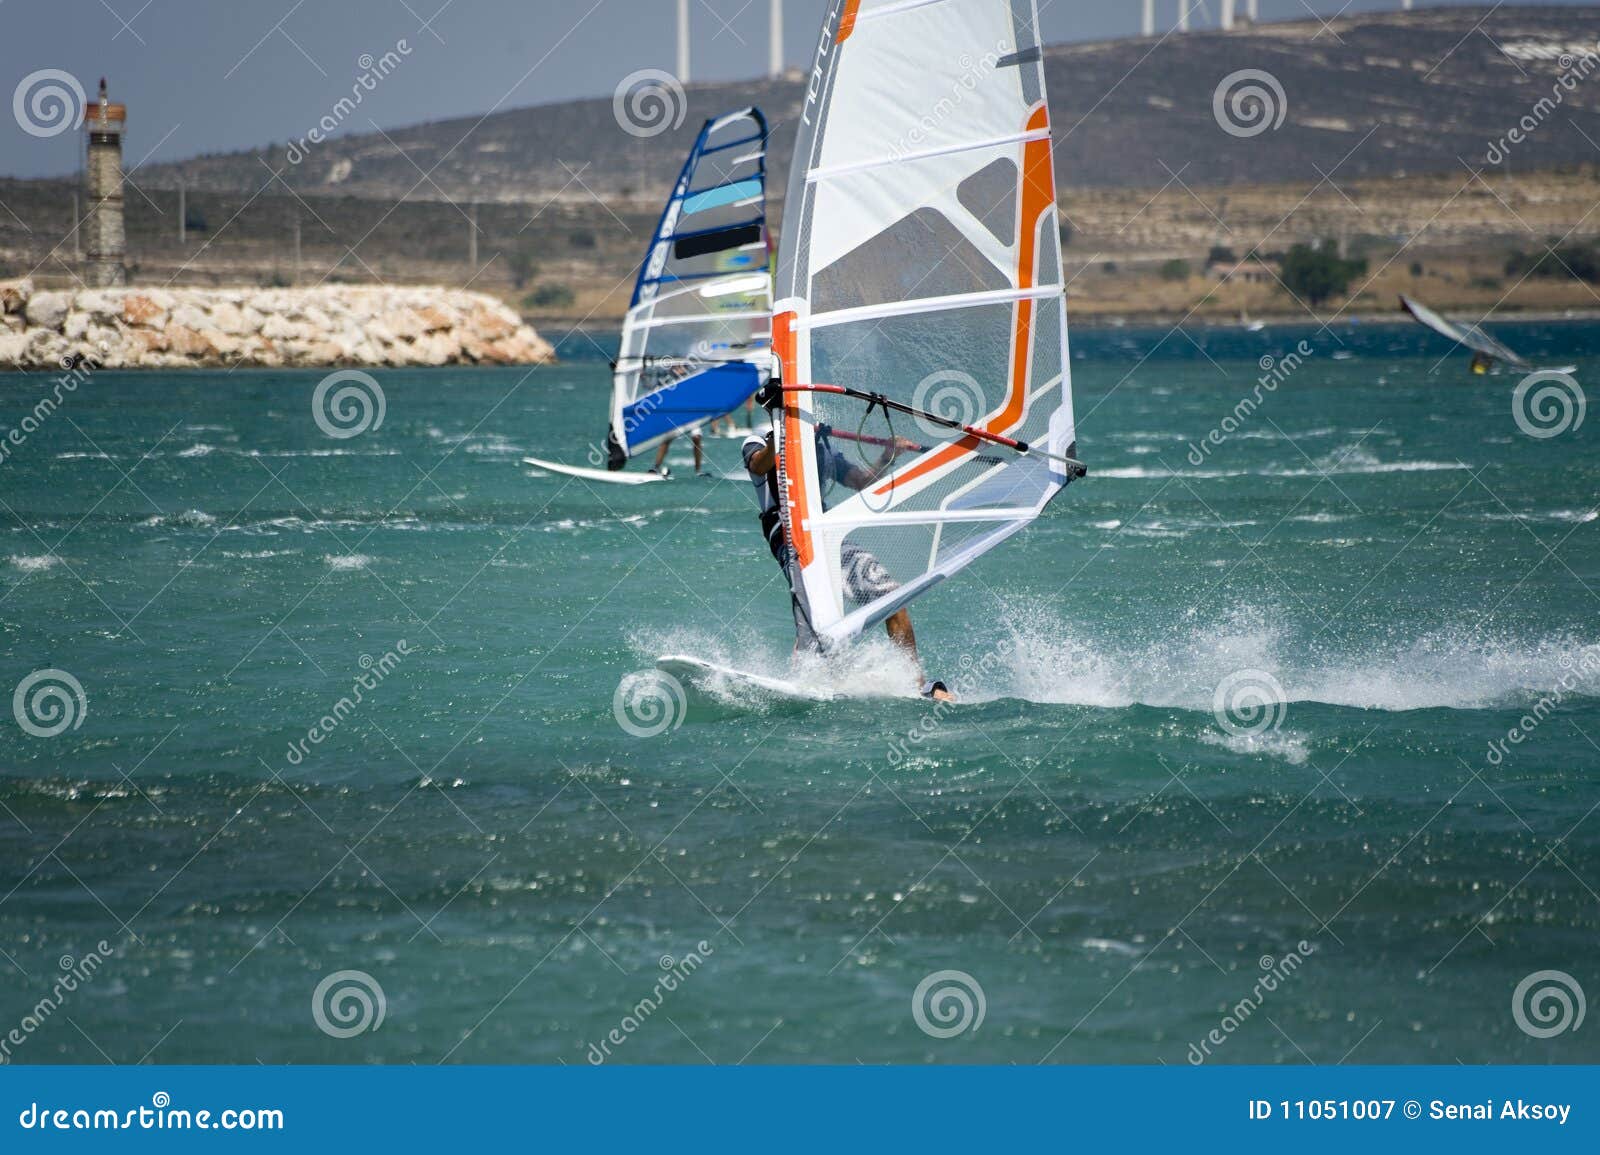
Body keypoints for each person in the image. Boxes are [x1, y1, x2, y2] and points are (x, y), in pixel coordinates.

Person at [742, 427, 952, 701]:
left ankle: (915, 684)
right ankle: (806, 677)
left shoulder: (822, 448)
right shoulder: (758, 439)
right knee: (814, 612)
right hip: (788, 536)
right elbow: (760, 465)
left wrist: (888, 456)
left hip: (828, 536)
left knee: (892, 597)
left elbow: (862, 481)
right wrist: (784, 435)